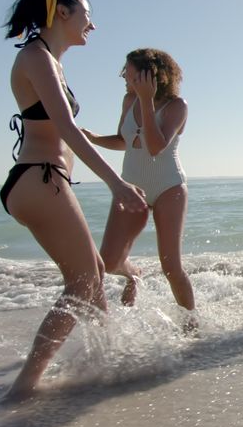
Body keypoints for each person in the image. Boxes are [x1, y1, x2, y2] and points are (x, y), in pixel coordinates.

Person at [0, 0, 147, 400]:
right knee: (82, 281)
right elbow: (65, 128)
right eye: (86, 13)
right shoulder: (36, 56)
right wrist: (116, 183)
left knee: (93, 274)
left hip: (45, 180)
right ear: (62, 12)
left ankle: (106, 361)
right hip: (38, 178)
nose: (92, 24)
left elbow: (69, 129)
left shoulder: (51, 60)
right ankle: (24, 388)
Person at [82, 49, 195, 327]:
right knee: (109, 262)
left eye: (129, 72)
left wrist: (146, 100)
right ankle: (134, 275)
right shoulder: (129, 100)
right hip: (132, 186)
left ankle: (192, 326)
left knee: (171, 268)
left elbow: (155, 147)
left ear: (148, 75)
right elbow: (125, 140)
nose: (124, 77)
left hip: (168, 186)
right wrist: (94, 138)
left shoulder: (177, 106)